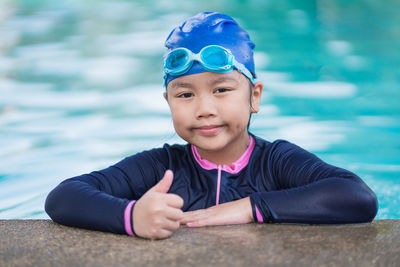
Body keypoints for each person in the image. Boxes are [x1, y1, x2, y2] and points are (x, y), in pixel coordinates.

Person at [45, 12, 378, 239]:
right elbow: (64, 197)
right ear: (168, 102)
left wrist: (252, 207)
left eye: (221, 90)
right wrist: (132, 218)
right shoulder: (161, 168)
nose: (204, 109)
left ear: (254, 97)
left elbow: (357, 196)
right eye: (186, 94)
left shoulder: (276, 161)